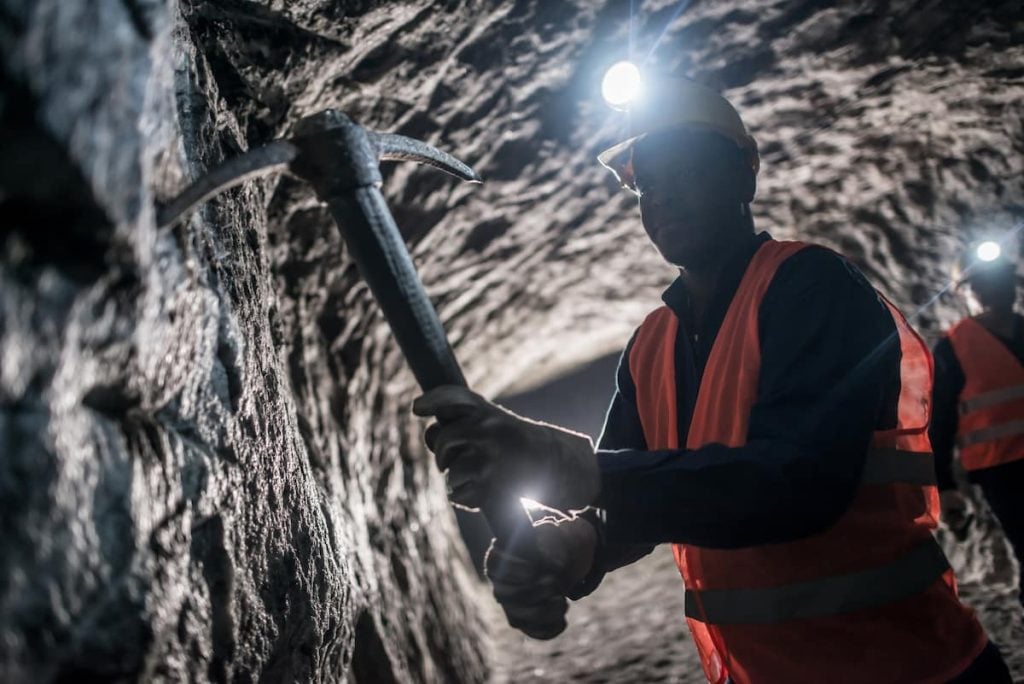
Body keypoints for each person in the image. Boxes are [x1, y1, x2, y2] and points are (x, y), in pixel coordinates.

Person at [413, 78, 1010, 682]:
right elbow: (633, 495)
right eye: (647, 183)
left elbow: (798, 482)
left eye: (686, 170)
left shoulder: (815, 287)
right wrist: (576, 547)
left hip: (916, 668)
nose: (664, 196)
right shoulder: (651, 345)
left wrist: (570, 468)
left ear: (744, 174)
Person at [931, 247, 1024, 610]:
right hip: (1002, 469)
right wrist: (946, 486)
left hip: (999, 467)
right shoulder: (954, 347)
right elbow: (940, 421)